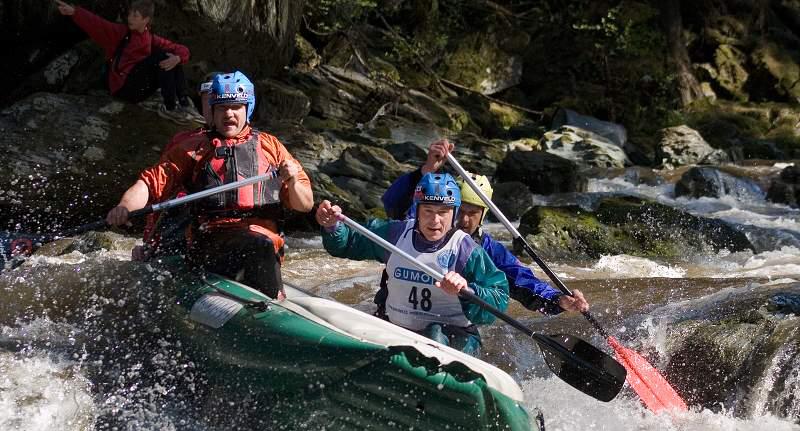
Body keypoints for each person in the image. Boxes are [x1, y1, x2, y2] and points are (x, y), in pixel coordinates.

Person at [106, 71, 314, 298]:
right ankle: (270, 304)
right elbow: (149, 183)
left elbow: (304, 205)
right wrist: (125, 207)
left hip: (263, 242)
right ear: (212, 112)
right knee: (258, 245)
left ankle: (269, 299)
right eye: (222, 108)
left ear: (248, 108)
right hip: (210, 243)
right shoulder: (194, 147)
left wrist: (292, 180)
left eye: (236, 107)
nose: (229, 114)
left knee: (261, 243)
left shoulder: (271, 147)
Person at [380, 139, 590, 316]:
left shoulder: (485, 250)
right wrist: (426, 171)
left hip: (448, 323)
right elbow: (393, 204)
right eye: (460, 210)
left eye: (472, 213)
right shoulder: (420, 225)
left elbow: (522, 282)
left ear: (483, 216)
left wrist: (558, 300)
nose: (464, 220)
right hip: (396, 314)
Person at [316, 173, 509, 357]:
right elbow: (350, 242)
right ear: (417, 210)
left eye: (443, 212)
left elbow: (498, 299)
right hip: (395, 328)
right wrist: (332, 226)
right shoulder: (395, 234)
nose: (435, 220)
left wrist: (468, 291)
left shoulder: (466, 250)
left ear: (454, 213)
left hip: (452, 337)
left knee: (435, 335)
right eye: (428, 211)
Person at [56, 0, 202, 124]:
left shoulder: (150, 38)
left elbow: (182, 49)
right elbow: (97, 24)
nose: (130, 18)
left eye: (135, 15)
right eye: (130, 14)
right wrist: (74, 12)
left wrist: (178, 58)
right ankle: (170, 108)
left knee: (172, 56)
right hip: (123, 88)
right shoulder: (120, 33)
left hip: (139, 89)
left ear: (146, 20)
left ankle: (184, 103)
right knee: (163, 56)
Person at [132, 71, 224, 261]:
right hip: (186, 223)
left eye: (218, 100)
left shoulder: (257, 143)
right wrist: (149, 241)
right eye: (208, 100)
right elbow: (160, 187)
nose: (212, 106)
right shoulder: (184, 141)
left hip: (230, 224)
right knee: (181, 203)